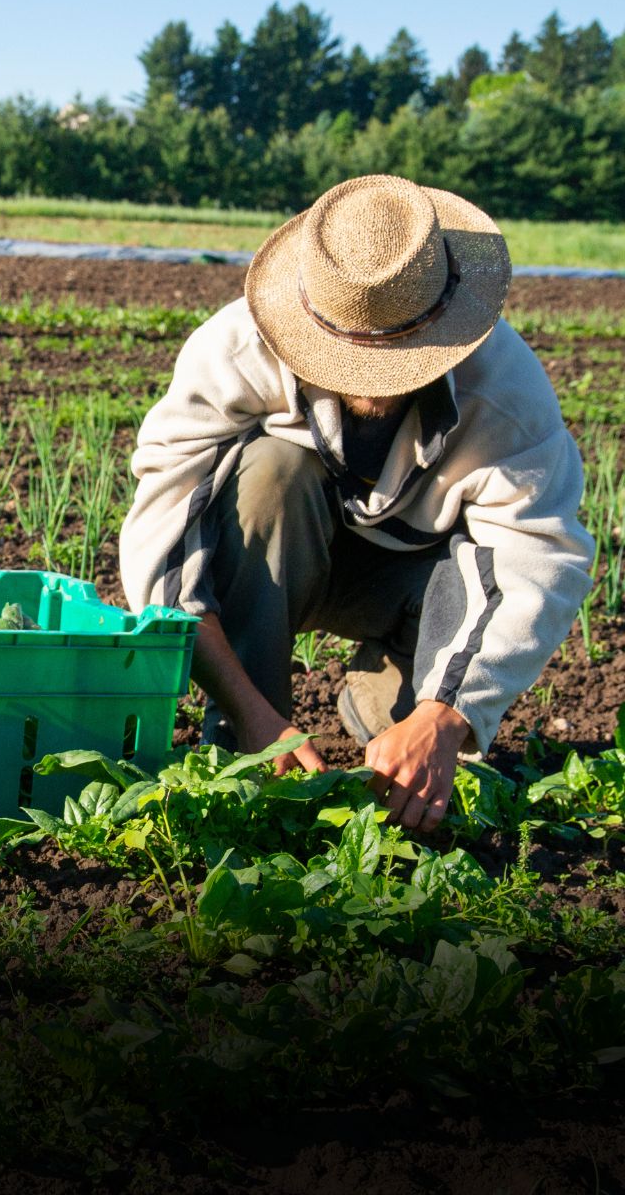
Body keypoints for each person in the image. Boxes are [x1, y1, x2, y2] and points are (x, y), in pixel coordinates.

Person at [119, 175, 594, 831]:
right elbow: (165, 537)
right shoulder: (235, 350)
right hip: (285, 557)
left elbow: (536, 557)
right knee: (269, 473)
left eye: (398, 356)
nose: (372, 381)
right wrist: (256, 718)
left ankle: (387, 701)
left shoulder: (504, 392)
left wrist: (445, 719)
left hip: (413, 585)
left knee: (418, 773)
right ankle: (244, 740)